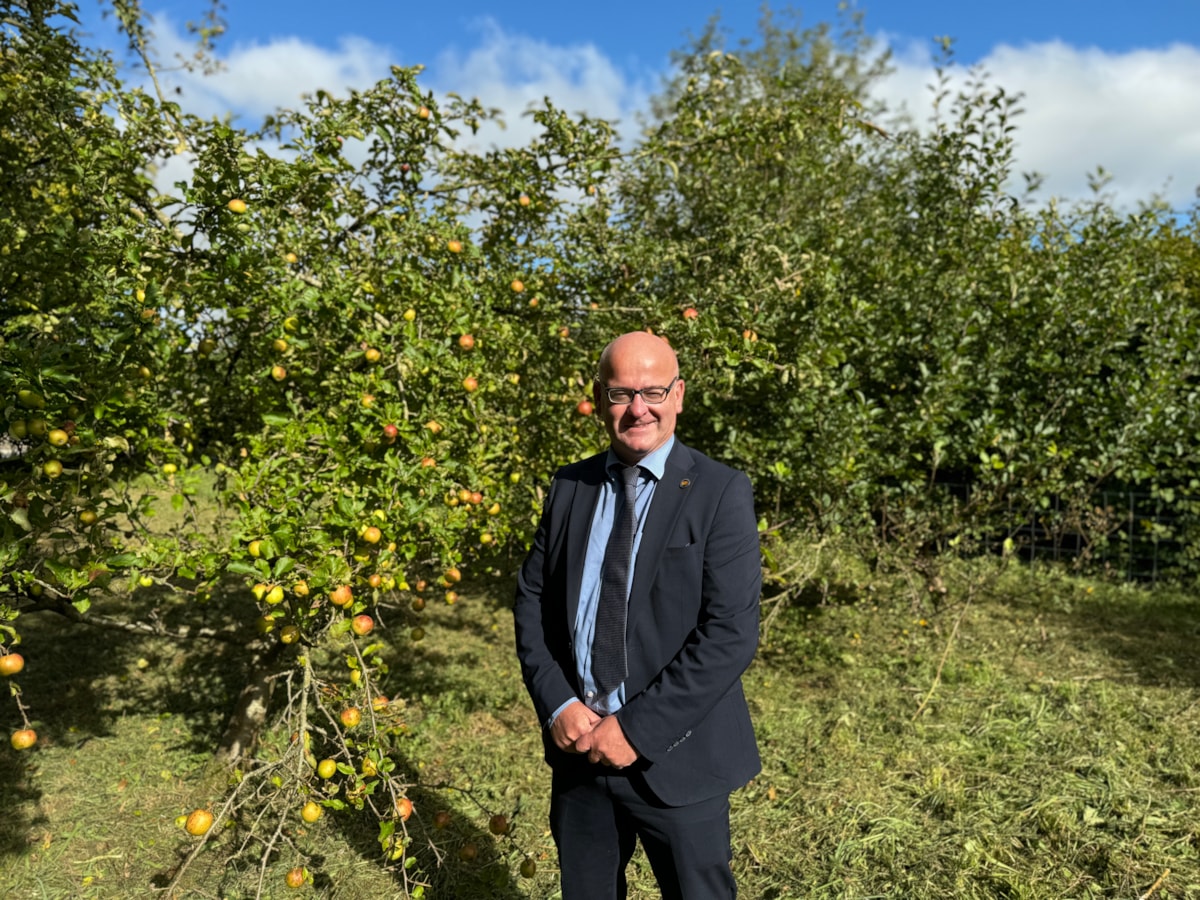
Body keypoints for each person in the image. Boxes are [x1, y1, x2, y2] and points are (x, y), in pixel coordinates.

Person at [513, 330, 762, 899]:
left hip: (678, 757)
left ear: (678, 394)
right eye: (622, 393)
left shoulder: (719, 492)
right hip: (579, 751)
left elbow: (729, 633)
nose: (639, 408)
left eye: (653, 390)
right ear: (600, 399)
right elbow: (533, 602)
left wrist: (636, 729)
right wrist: (558, 702)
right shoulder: (569, 486)